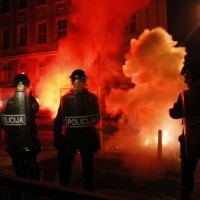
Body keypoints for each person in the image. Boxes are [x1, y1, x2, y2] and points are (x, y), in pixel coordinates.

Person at [53, 69, 101, 191]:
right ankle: (64, 191)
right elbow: (59, 119)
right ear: (72, 83)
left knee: (88, 167)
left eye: (80, 81)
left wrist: (95, 139)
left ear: (85, 82)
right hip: (71, 138)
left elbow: (96, 119)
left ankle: (88, 192)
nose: (78, 84)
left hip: (87, 138)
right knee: (65, 166)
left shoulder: (92, 98)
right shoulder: (66, 99)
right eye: (75, 81)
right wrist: (57, 137)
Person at [1, 73, 41, 181]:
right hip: (14, 143)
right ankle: (22, 189)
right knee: (19, 169)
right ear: (15, 87)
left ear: (26, 87)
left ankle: (34, 191)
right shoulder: (9, 102)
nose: (19, 88)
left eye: (22, 85)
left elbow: (34, 109)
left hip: (28, 141)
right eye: (18, 86)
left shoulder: (31, 101)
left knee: (32, 168)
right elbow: (5, 119)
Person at [169, 62, 200, 200]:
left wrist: (171, 110)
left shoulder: (185, 96)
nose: (186, 80)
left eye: (188, 77)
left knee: (188, 173)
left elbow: (175, 113)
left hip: (191, 140)